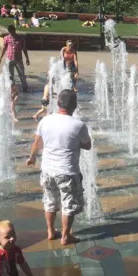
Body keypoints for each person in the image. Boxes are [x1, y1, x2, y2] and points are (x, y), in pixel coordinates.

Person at [26, 90, 91, 245]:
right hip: (67, 171)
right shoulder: (79, 125)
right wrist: (75, 143)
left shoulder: (45, 120)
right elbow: (87, 146)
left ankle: (50, 231)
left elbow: (37, 143)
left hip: (47, 170)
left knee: (50, 201)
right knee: (68, 205)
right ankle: (66, 236)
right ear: (74, 105)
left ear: (58, 103)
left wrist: (32, 158)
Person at [0, 25, 30, 92]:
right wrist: (0, 58)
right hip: (9, 58)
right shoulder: (6, 38)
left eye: (11, 32)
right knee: (10, 75)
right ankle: (12, 89)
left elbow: (24, 49)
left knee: (22, 74)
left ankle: (25, 88)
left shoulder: (20, 39)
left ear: (14, 30)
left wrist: (27, 58)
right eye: (9, 32)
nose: (10, 33)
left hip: (18, 59)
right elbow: (4, 48)